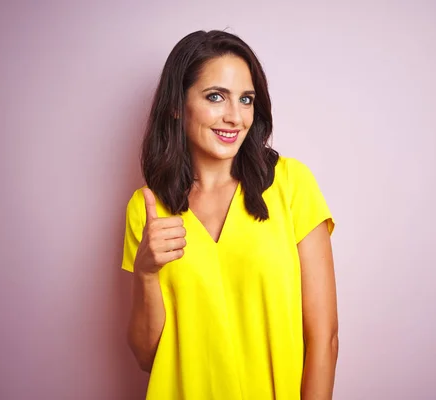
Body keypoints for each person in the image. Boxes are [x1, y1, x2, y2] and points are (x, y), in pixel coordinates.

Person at [121, 30, 338, 400]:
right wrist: (145, 273)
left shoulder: (290, 184)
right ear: (177, 105)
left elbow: (324, 337)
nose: (235, 117)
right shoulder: (148, 208)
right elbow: (147, 357)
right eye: (215, 97)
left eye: (246, 99)